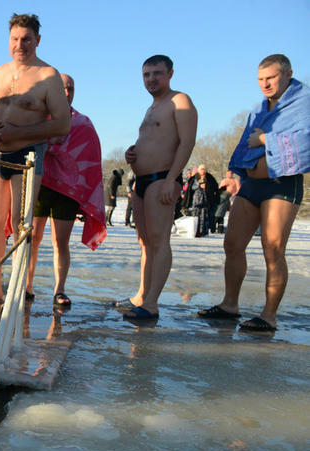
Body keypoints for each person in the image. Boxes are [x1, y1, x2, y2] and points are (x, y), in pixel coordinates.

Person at [198, 54, 308, 332]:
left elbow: (305, 140)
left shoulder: (303, 104)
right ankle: (230, 304)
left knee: (272, 248)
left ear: (288, 74)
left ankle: (268, 316)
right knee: (232, 244)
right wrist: (234, 174)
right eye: (260, 79)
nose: (265, 84)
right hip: (251, 186)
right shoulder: (259, 110)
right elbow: (243, 142)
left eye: (271, 77)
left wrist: (264, 139)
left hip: (282, 184)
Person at [0, 13, 70, 304]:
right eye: (15, 39)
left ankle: (17, 286)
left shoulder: (48, 76)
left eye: (26, 39)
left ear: (37, 40)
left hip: (28, 153)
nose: (20, 44)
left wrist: (20, 130)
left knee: (19, 223)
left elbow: (62, 124)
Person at [116, 55, 197, 321]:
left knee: (160, 241)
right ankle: (141, 295)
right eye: (146, 75)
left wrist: (172, 179)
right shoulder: (152, 107)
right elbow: (152, 140)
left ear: (170, 74)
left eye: (157, 73)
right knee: (145, 242)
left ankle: (151, 304)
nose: (151, 79)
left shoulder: (180, 100)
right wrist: (133, 153)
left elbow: (186, 142)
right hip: (142, 181)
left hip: (162, 179)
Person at [25, 73, 106, 308]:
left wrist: (84, 194)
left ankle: (59, 290)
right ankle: (26, 286)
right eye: (62, 88)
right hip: (39, 184)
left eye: (70, 88)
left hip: (66, 192)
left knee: (61, 242)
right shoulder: (37, 119)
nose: (66, 93)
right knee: (32, 238)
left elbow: (91, 160)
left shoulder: (82, 123)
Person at [183, 164, 219, 237]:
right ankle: (195, 231)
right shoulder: (194, 178)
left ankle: (204, 231)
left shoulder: (210, 178)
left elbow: (215, 188)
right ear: (199, 170)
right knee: (195, 215)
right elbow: (190, 189)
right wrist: (199, 185)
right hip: (196, 200)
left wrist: (216, 198)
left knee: (205, 216)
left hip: (206, 200)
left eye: (204, 169)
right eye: (201, 169)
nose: (202, 171)